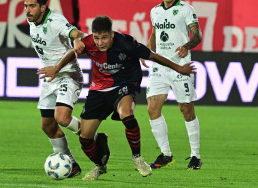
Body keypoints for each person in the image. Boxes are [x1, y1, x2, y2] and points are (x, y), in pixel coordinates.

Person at [38, 15, 196, 180]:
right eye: (97, 38)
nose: (100, 43)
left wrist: (179, 68)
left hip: (124, 84)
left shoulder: (126, 42)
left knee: (126, 114)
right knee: (85, 138)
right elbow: (73, 52)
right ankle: (100, 165)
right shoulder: (89, 42)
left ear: (112, 34)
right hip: (98, 90)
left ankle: (137, 158)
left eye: (104, 38)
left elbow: (153, 56)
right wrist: (56, 68)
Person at [22, 0, 86, 178]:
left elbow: (76, 34)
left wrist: (76, 42)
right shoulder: (33, 21)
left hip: (68, 74)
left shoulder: (55, 21)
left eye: (32, 6)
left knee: (63, 119)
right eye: (26, 5)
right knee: (47, 126)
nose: (27, 10)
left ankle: (93, 136)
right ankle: (71, 163)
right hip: (50, 78)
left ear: (43, 7)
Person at [146, 0, 202, 170]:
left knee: (186, 110)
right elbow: (154, 33)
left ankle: (195, 155)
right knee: (152, 109)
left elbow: (197, 35)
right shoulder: (155, 11)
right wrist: (148, 51)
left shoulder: (186, 9)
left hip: (181, 65)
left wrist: (187, 45)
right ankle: (166, 154)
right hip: (160, 66)